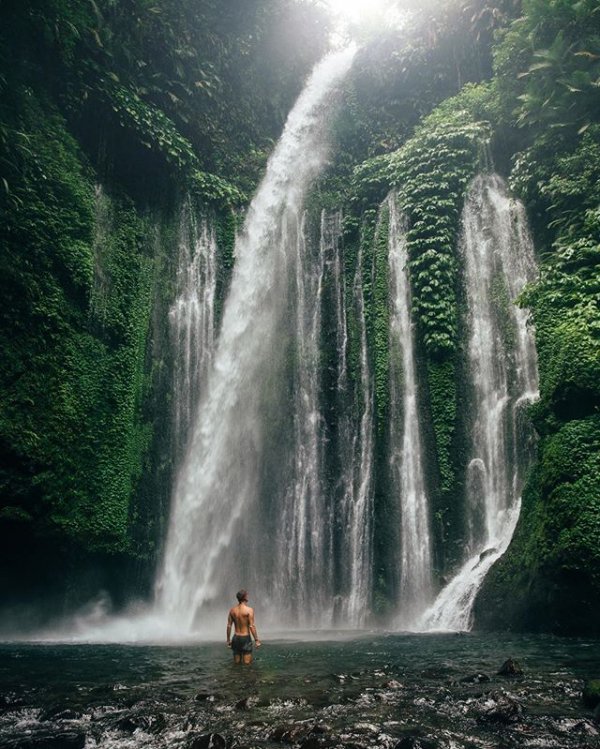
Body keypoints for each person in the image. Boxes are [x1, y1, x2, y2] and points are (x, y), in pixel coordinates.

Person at [226, 589, 261, 664]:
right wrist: (256, 640)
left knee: (236, 663)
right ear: (244, 597)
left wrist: (228, 640)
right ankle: (245, 676)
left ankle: (236, 675)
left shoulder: (232, 610)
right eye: (247, 595)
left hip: (236, 638)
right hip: (245, 638)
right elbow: (251, 626)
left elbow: (229, 626)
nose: (248, 596)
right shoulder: (249, 610)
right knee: (247, 664)